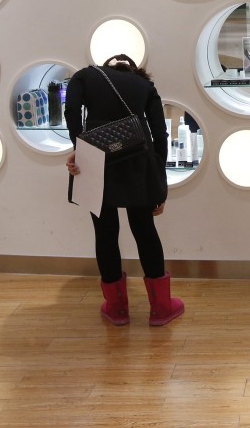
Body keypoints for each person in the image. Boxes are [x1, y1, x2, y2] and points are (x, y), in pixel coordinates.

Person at [64, 54, 185, 327]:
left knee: (105, 232)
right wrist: (159, 186)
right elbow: (160, 135)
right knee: (144, 230)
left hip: (95, 161)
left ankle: (117, 308)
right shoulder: (145, 87)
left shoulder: (85, 76)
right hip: (137, 166)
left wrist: (79, 149)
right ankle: (161, 308)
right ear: (135, 71)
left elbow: (71, 110)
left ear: (107, 68)